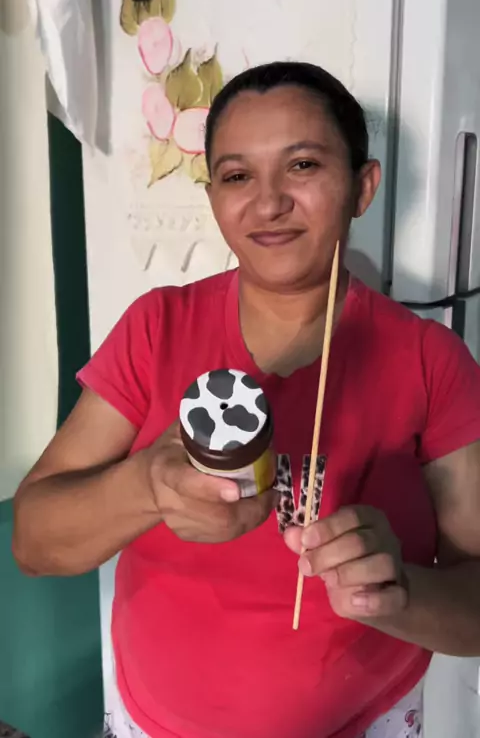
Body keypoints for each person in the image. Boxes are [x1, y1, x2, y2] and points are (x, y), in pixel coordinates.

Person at [12, 62, 480, 738]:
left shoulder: (430, 361)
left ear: (363, 187)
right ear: (213, 197)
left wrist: (399, 592)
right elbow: (32, 542)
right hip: (152, 723)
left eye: (302, 166)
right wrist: (144, 487)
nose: (267, 204)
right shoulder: (157, 329)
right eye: (237, 176)